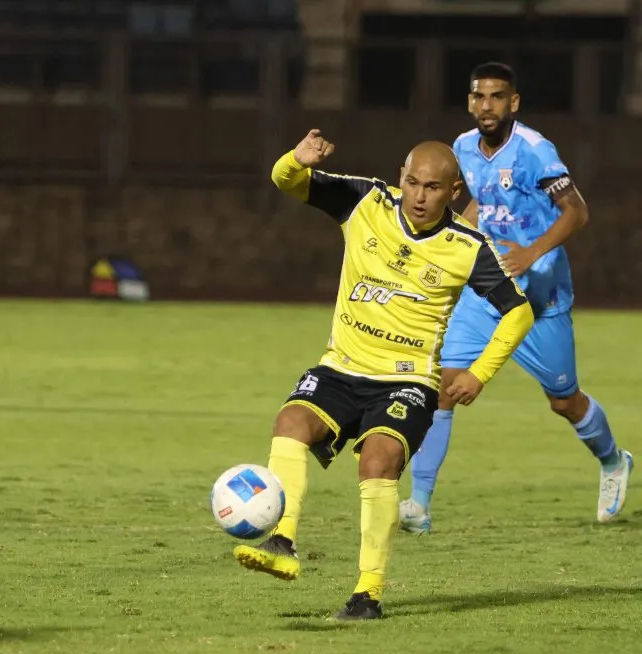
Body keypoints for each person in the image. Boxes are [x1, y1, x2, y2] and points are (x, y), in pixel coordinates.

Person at [233, 129, 534, 620]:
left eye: (432, 188)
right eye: (412, 182)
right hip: (341, 367)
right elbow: (287, 181)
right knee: (290, 423)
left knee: (377, 462)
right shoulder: (365, 201)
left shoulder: (468, 246)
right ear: (401, 177)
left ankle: (367, 593)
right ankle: (282, 538)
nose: (419, 195)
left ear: (453, 192)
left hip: (407, 381)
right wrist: (296, 159)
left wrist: (480, 373)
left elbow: (518, 312)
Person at [400, 62, 632, 534]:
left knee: (564, 401)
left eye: (497, 97)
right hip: (485, 293)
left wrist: (530, 253)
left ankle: (613, 460)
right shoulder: (463, 148)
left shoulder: (535, 151)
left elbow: (577, 212)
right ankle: (419, 507)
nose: (488, 106)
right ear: (470, 103)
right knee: (443, 388)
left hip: (540, 299)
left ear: (514, 102)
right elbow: (479, 203)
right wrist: (458, 237)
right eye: (479, 97)